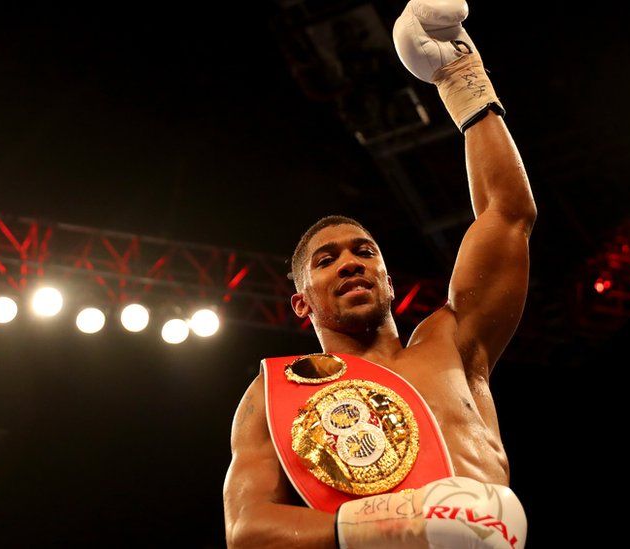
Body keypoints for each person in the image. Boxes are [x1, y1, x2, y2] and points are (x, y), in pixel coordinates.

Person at [223, 1, 534, 547]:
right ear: (302, 303)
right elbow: (248, 529)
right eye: (327, 260)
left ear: (389, 281)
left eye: (365, 252)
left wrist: (462, 77)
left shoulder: (453, 344)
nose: (350, 262)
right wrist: (405, 523)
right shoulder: (269, 395)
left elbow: (506, 214)